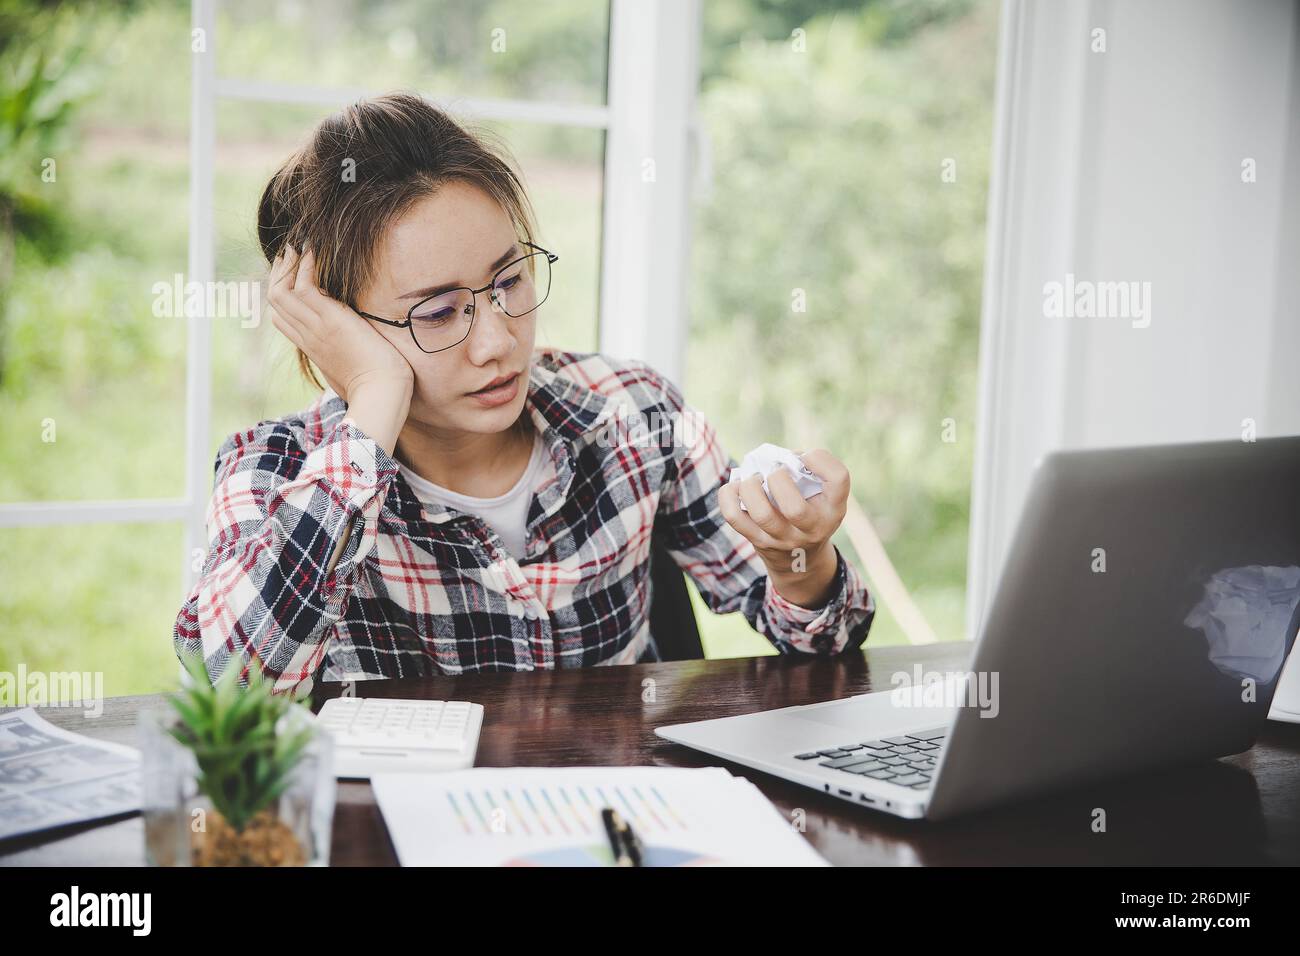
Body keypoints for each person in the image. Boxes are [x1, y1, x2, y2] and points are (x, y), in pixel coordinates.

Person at [172, 92, 874, 695]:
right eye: (438, 312)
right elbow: (232, 690)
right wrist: (374, 394)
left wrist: (798, 563)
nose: (497, 340)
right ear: (336, 330)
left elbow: (827, 647)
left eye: (509, 281)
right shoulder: (275, 472)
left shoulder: (635, 413)